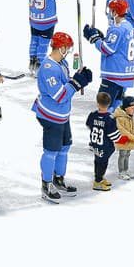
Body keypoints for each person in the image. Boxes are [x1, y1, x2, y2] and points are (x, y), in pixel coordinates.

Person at [33, 32, 93, 203]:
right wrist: (76, 83)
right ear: (61, 48)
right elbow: (59, 95)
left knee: (65, 146)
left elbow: (67, 83)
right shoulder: (48, 68)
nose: (68, 51)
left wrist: (80, 79)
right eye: (67, 47)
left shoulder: (62, 62)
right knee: (51, 150)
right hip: (51, 114)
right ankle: (47, 183)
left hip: (62, 114)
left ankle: (59, 178)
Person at [82, 0, 134, 110]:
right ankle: (115, 124)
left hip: (114, 74)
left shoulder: (117, 28)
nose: (110, 13)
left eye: (111, 10)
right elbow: (118, 45)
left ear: (115, 12)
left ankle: (108, 125)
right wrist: (103, 38)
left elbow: (107, 49)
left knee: (104, 105)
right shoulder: (128, 26)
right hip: (124, 73)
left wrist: (94, 38)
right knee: (116, 102)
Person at [26, 0, 65, 75]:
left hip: (34, 17)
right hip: (47, 19)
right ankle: (39, 66)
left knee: (34, 40)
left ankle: (32, 62)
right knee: (43, 43)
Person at [86, 92, 120, 191]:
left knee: (97, 160)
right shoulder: (110, 118)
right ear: (109, 104)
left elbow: (89, 125)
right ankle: (97, 181)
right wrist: (120, 139)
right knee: (103, 162)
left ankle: (99, 177)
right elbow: (114, 135)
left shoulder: (92, 115)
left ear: (97, 103)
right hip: (105, 146)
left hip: (95, 143)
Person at [113, 95, 134, 180]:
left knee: (127, 155)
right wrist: (132, 137)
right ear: (126, 108)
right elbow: (122, 130)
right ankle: (121, 171)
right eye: (132, 108)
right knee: (122, 155)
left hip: (131, 140)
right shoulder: (119, 118)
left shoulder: (133, 116)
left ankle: (126, 170)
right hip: (123, 140)